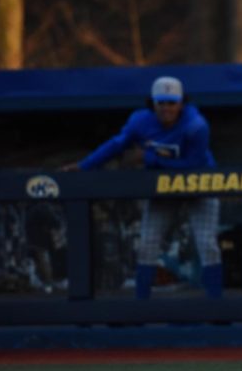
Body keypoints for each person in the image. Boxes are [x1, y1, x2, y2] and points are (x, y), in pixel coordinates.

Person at [61, 76, 223, 299]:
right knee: (147, 243)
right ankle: (141, 302)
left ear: (181, 103)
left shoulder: (196, 125)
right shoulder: (140, 121)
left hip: (199, 184)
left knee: (207, 243)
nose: (166, 108)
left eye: (172, 102)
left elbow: (192, 165)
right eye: (161, 102)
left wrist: (149, 159)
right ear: (152, 103)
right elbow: (116, 144)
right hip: (163, 187)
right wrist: (84, 165)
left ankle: (216, 302)